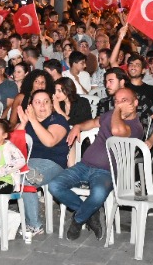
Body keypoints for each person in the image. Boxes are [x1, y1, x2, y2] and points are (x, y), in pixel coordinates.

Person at [50, 87, 146, 242]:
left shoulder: (136, 127)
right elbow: (94, 122)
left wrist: (117, 110)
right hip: (84, 165)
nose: (119, 104)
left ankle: (78, 219)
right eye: (116, 101)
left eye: (124, 101)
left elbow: (117, 130)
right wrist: (78, 126)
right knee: (54, 186)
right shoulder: (109, 115)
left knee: (99, 194)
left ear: (135, 103)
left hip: (106, 172)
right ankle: (90, 212)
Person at [16, 85, 69, 237]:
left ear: (52, 105)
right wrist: (23, 123)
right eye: (38, 102)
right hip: (29, 162)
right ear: (31, 106)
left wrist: (33, 120)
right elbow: (12, 145)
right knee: (8, 173)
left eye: (46, 102)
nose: (42, 105)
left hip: (52, 163)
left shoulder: (58, 120)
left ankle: (34, 225)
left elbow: (49, 141)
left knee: (24, 179)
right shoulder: (28, 121)